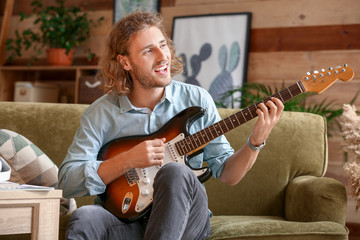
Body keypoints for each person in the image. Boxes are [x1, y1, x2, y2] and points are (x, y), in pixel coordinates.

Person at [58, 11, 284, 240]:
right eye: (149, 51)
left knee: (175, 171)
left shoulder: (197, 99)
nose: (162, 56)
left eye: (163, 45)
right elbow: (67, 181)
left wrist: (255, 142)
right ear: (125, 62)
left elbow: (228, 175)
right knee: (85, 216)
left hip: (187, 221)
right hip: (124, 221)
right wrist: (127, 160)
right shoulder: (100, 112)